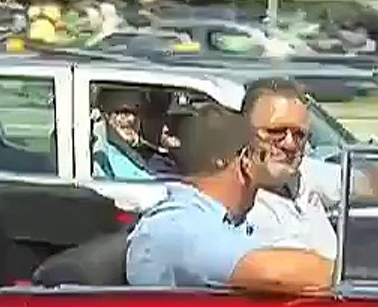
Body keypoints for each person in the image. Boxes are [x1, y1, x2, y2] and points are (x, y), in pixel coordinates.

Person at [126, 103, 333, 294]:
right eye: (262, 152)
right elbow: (270, 273)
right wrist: (346, 272)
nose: (284, 152)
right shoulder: (180, 225)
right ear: (244, 160)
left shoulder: (226, 219)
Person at [241, 78, 339, 261]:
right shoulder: (237, 204)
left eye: (299, 135)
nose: (290, 144)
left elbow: (369, 183)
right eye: (276, 131)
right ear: (243, 131)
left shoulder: (300, 173)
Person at [91, 88, 154, 180]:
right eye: (124, 112)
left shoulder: (148, 154)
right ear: (106, 115)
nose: (131, 119)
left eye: (136, 112)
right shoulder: (102, 157)